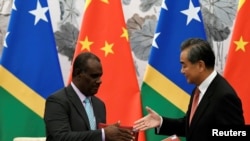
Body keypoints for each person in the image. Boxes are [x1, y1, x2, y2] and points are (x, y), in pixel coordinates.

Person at [133, 38, 245, 141]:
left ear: (200, 65)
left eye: (184, 65)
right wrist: (161, 122)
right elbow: (193, 127)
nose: (182, 71)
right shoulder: (198, 90)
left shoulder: (224, 97)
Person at [44, 52, 135, 141]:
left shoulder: (99, 105)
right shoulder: (57, 101)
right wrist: (103, 134)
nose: (99, 81)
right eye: (94, 76)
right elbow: (61, 137)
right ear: (78, 74)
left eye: (100, 76)